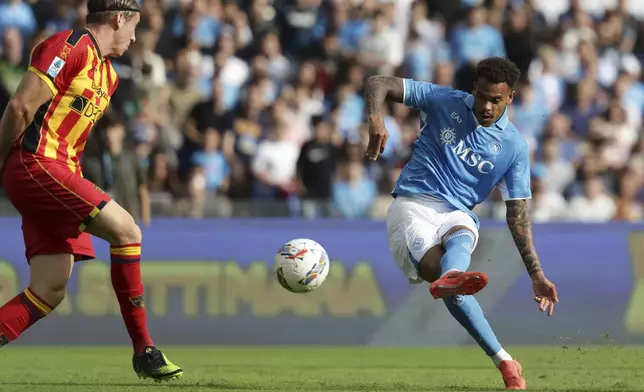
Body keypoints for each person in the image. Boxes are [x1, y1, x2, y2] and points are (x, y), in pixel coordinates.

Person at [0, 0, 182, 382]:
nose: (135, 37)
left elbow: (74, 138)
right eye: (135, 27)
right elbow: (20, 107)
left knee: (48, 290)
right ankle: (144, 350)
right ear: (119, 18)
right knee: (128, 231)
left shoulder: (108, 76)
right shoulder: (67, 46)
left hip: (59, 172)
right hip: (37, 163)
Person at [364, 57, 558, 390]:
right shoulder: (444, 100)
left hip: (459, 213)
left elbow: (518, 216)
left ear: (510, 97)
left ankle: (505, 363)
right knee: (439, 274)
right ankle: (502, 356)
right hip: (413, 203)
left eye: (495, 100)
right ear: (473, 90)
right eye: (481, 96)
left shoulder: (513, 147)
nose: (485, 105)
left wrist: (536, 274)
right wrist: (376, 119)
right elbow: (377, 82)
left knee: (460, 240)